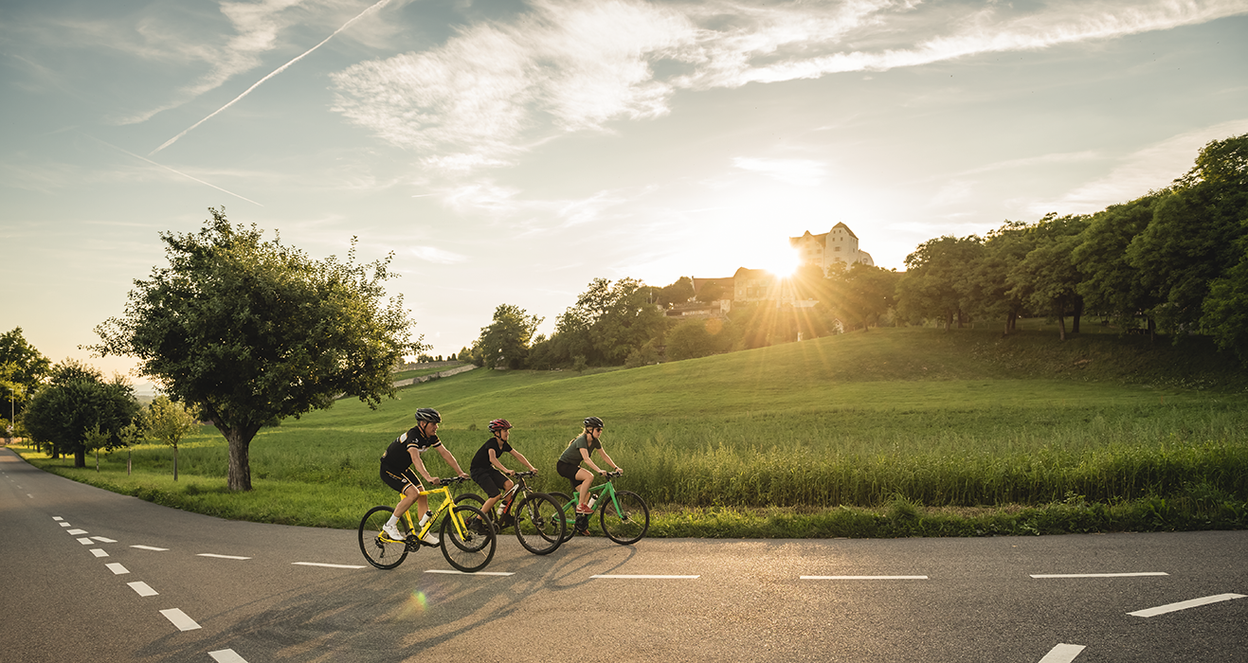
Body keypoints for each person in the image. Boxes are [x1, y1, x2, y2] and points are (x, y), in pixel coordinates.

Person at [379, 408, 469, 545]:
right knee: (413, 494)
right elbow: (415, 459)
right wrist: (428, 477)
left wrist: (460, 472)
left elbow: (445, 454)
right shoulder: (413, 435)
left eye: (436, 424)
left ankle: (424, 533)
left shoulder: (430, 437)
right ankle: (389, 525)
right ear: (422, 424)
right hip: (389, 468)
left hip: (402, 468)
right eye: (433, 424)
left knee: (422, 494)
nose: (436, 427)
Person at [556, 416, 622, 534]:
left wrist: (615, 467)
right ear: (590, 429)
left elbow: (604, 456)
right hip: (564, 466)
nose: (600, 432)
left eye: (601, 430)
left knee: (586, 493)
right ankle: (580, 506)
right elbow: (586, 459)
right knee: (589, 476)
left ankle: (580, 524)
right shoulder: (582, 440)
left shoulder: (595, 441)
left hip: (573, 467)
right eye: (598, 430)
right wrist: (599, 470)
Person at [469, 418, 538, 528]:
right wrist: (506, 470)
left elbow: (517, 455)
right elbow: (492, 459)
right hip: (478, 471)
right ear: (497, 433)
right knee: (495, 495)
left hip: (488, 469)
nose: (508, 433)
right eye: (505, 431)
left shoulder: (504, 444)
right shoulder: (491, 443)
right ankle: (477, 521)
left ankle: (506, 516)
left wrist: (531, 467)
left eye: (507, 430)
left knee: (509, 485)